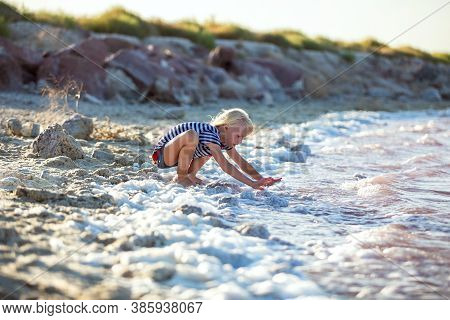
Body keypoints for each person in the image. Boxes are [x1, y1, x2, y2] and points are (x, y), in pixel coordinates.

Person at [151, 108, 282, 189]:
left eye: (243, 138)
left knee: (212, 150)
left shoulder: (223, 140)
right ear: (226, 128)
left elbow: (240, 162)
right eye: (238, 136)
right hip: (164, 155)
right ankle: (181, 177)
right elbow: (225, 165)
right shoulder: (210, 132)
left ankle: (190, 174)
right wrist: (251, 184)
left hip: (179, 157)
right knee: (192, 136)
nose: (240, 141)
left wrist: (259, 179)